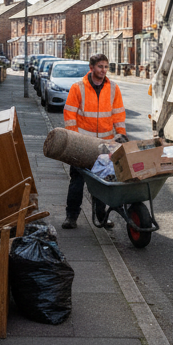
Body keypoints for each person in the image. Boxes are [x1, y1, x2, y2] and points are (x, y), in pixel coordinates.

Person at [61, 53, 127, 229]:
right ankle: (71, 217)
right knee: (77, 181)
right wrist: (74, 139)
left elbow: (118, 114)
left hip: (105, 145)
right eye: (100, 67)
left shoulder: (113, 88)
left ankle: (101, 217)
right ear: (91, 68)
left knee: (103, 181)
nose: (104, 70)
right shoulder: (78, 88)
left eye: (106, 67)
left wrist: (121, 134)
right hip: (82, 144)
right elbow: (69, 114)